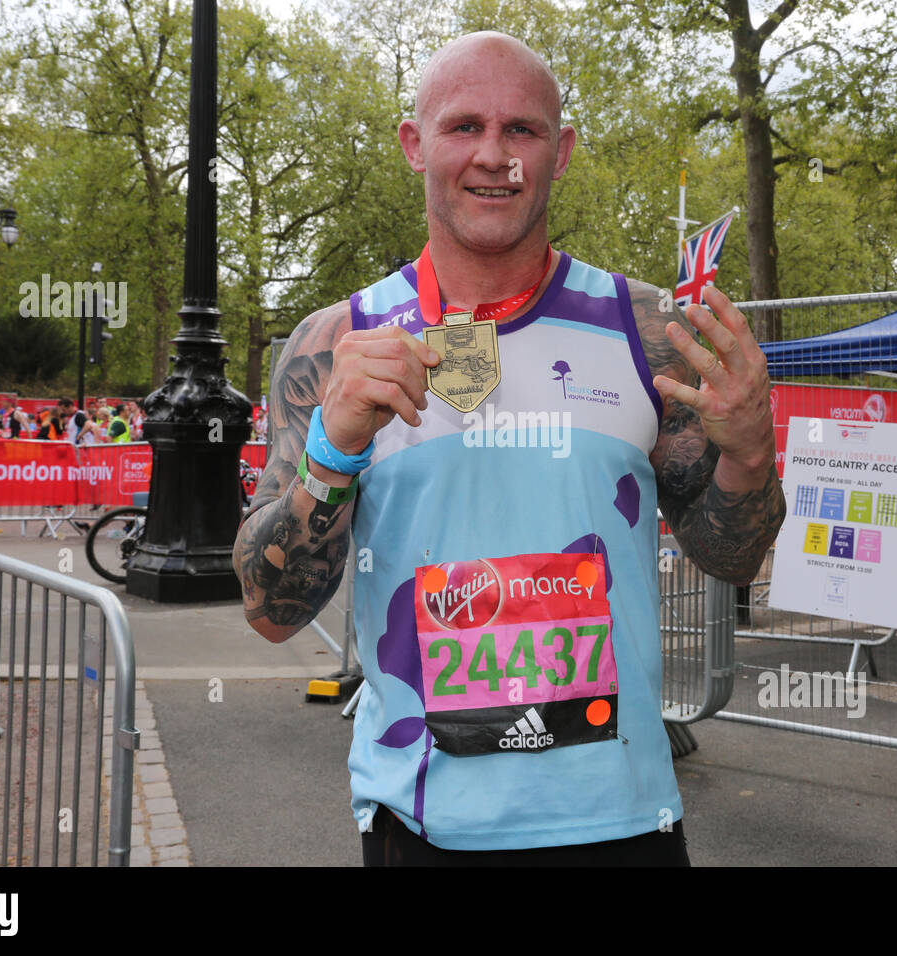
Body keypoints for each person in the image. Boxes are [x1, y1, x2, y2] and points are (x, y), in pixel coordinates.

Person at [233, 32, 785, 866]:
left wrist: (749, 452)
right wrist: (332, 450)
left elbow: (730, 559)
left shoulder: (647, 333)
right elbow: (270, 613)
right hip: (422, 826)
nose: (494, 156)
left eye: (521, 130)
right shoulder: (336, 343)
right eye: (463, 127)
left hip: (618, 821)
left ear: (559, 152)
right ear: (414, 144)